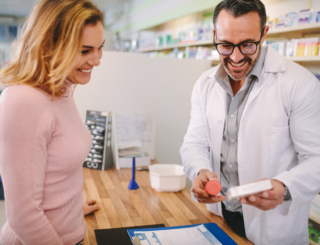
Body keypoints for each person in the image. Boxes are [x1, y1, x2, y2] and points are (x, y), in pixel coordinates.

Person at [180, 0, 320, 244]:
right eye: (225, 45)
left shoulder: (300, 83)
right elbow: (194, 142)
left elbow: (317, 158)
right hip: (219, 216)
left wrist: (285, 186)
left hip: (274, 228)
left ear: (264, 34)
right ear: (214, 35)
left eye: (247, 45)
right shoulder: (204, 84)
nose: (235, 57)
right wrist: (200, 171)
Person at [0, 0, 105, 244]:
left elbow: (53, 171)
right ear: (50, 46)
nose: (97, 59)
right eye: (85, 50)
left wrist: (71, 209)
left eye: (100, 47)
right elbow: (23, 216)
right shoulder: (23, 101)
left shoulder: (62, 89)